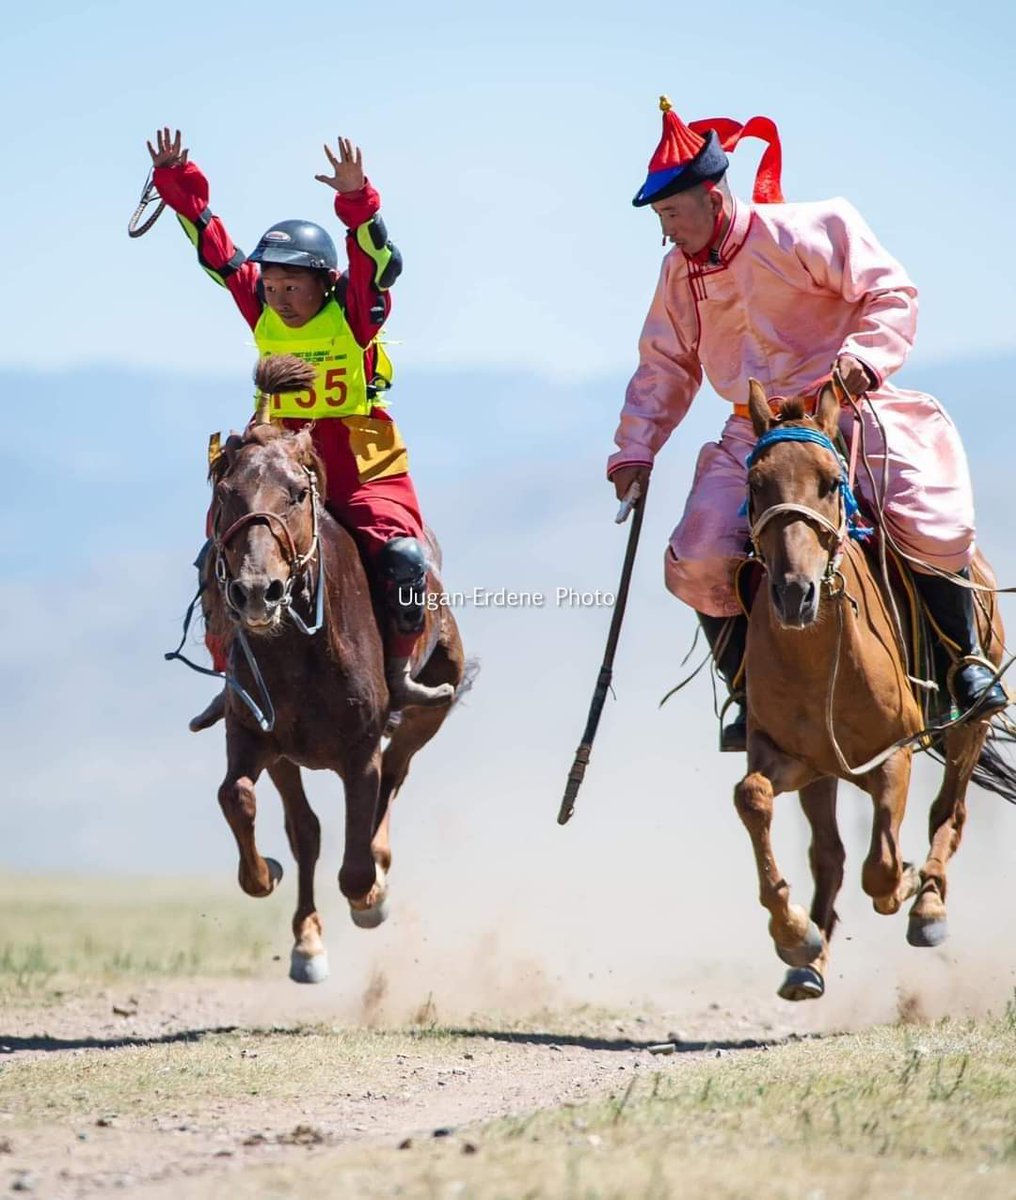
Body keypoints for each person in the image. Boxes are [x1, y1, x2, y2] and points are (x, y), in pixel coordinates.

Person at [608, 98, 1007, 752]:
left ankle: (966, 661)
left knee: (931, 518)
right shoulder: (678, 275)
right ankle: (748, 690)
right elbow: (664, 366)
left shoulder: (812, 228)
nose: (665, 233)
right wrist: (634, 450)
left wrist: (863, 361)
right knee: (699, 553)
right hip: (754, 429)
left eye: (671, 214)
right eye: (659, 218)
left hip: (846, 404)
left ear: (712, 198)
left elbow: (892, 294)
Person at [147, 127, 454, 728]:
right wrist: (178, 183)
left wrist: (358, 198)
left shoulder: (355, 310)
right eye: (272, 285)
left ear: (325, 283)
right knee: (219, 551)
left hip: (360, 461)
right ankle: (232, 674)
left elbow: (378, 258)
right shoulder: (259, 307)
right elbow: (216, 251)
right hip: (279, 462)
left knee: (406, 559)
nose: (280, 298)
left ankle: (397, 673)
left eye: (294, 285)